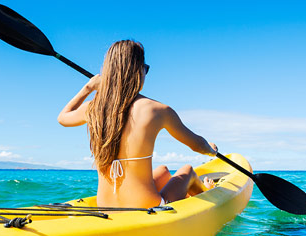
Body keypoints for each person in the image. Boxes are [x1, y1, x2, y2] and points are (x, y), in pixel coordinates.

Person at [57, 40, 218, 208]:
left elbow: (63, 117)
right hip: (147, 206)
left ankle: (182, 197)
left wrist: (89, 87)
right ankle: (206, 192)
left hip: (105, 205)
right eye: (145, 68)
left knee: (163, 171)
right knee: (189, 172)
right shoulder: (157, 109)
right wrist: (211, 150)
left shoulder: (93, 108)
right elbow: (197, 145)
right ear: (137, 70)